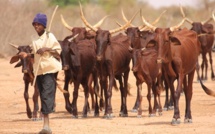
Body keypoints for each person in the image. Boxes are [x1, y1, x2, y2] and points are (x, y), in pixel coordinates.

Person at [21, 13, 62, 134]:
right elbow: (34, 53)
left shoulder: (50, 37)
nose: (36, 26)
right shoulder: (33, 38)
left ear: (44, 26)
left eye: (38, 24)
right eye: (35, 24)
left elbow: (58, 52)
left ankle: (46, 126)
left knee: (46, 96)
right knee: (40, 95)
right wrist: (27, 55)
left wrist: (47, 49)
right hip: (38, 70)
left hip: (49, 69)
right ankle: (45, 126)